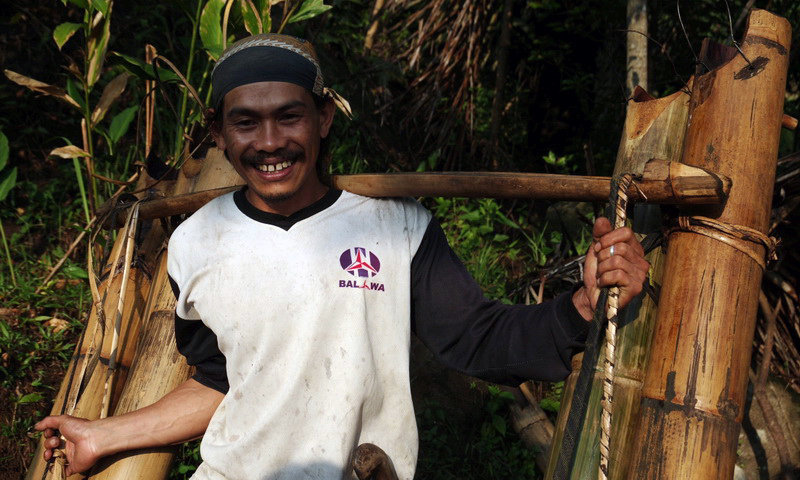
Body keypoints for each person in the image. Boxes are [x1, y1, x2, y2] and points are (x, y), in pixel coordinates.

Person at [35, 34, 649, 479]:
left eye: (289, 117)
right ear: (218, 132)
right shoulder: (196, 241)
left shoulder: (396, 228)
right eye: (246, 122)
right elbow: (224, 381)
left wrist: (580, 306)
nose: (270, 142)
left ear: (323, 118)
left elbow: (478, 338)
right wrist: (103, 434)